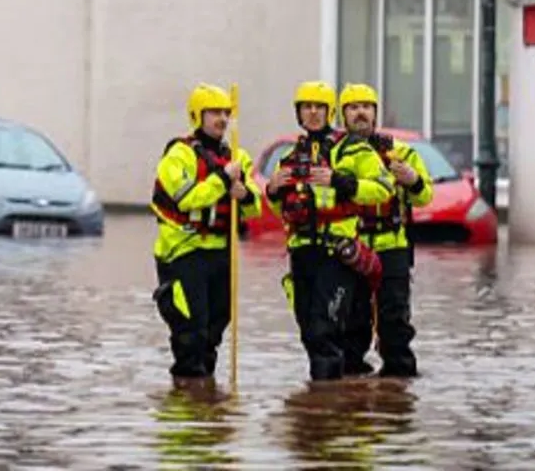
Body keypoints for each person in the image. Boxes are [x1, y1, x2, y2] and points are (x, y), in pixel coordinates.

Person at [265, 81, 394, 381]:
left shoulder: (353, 149)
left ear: (329, 111)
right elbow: (280, 210)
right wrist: (272, 191)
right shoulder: (290, 157)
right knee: (308, 330)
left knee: (326, 329)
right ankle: (318, 409)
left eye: (319, 107)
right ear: (298, 113)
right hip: (302, 252)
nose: (312, 113)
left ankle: (328, 407)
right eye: (306, 107)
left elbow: (384, 189)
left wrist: (341, 182)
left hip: (336, 253)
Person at [151, 82, 263, 382]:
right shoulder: (179, 155)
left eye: (226, 113)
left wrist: (244, 195)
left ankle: (208, 403)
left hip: (220, 252)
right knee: (191, 330)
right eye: (214, 113)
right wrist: (223, 179)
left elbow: (254, 210)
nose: (222, 120)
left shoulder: (238, 156)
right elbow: (188, 199)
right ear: (197, 116)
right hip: (184, 252)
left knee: (216, 325)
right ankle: (188, 401)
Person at [338, 83, 433, 378]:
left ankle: (398, 381)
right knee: (352, 320)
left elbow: (425, 196)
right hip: (352, 247)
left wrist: (413, 180)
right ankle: (352, 381)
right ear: (343, 115)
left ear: (375, 113)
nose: (361, 113)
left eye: (366, 107)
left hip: (392, 244)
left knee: (394, 320)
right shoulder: (336, 154)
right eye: (353, 108)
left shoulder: (401, 153)